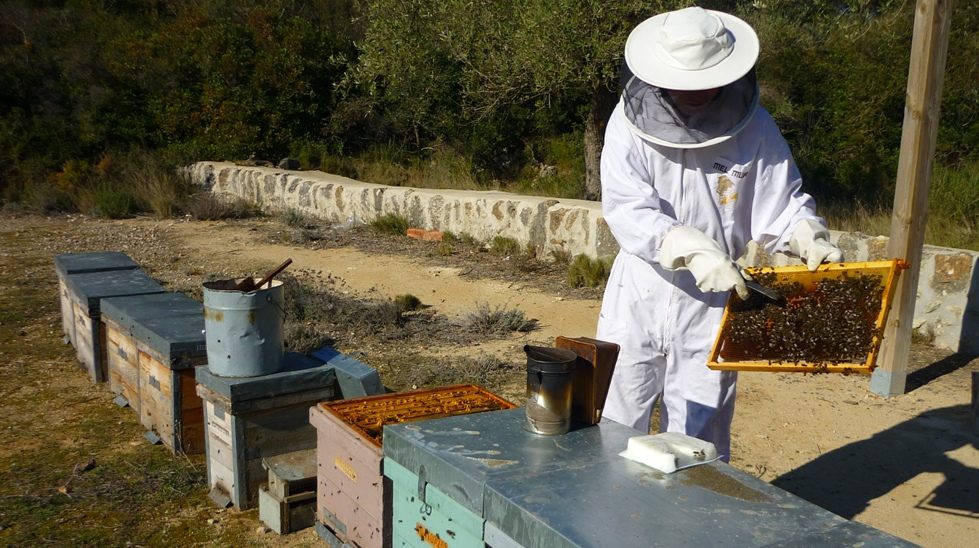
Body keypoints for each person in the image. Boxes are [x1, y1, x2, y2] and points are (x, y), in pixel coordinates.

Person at [596, 6, 843, 460]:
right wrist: (688, 250)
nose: (694, 92)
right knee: (617, 415)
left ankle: (690, 528)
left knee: (700, 436)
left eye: (704, 80)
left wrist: (807, 232)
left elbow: (781, 204)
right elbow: (628, 207)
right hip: (640, 291)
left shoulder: (756, 129)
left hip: (715, 300)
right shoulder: (626, 126)